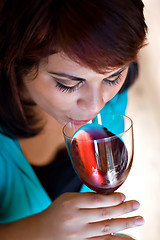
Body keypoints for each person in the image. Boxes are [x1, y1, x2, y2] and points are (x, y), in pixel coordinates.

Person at [0, 0, 147, 239]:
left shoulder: (116, 99)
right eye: (68, 84)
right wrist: (38, 232)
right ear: (15, 60)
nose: (97, 104)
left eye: (113, 77)